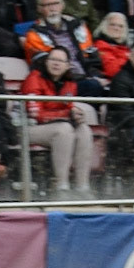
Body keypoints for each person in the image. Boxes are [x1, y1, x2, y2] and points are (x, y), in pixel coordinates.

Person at [22, 47, 98, 196]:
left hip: (56, 125)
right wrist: (67, 114)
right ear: (46, 62)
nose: (56, 64)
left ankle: (82, 186)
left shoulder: (70, 83)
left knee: (84, 130)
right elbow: (35, 114)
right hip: (29, 127)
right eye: (53, 60)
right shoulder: (34, 78)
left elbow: (68, 108)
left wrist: (76, 115)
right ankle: (61, 185)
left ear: (68, 65)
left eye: (60, 61)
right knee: (64, 130)